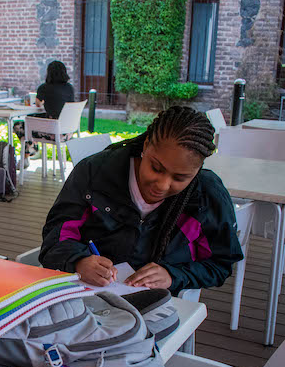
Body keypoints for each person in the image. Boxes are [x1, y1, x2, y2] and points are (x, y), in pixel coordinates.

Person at [39, 106, 243, 296]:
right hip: (86, 295)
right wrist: (79, 261)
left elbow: (220, 264)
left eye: (180, 178)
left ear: (197, 171)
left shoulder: (206, 195)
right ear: (146, 145)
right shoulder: (95, 173)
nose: (162, 185)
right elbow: (55, 236)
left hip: (158, 303)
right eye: (156, 168)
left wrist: (172, 276)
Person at [14, 60, 76, 166]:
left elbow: (38, 104)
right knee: (31, 121)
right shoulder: (70, 88)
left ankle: (28, 155)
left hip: (53, 132)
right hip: (68, 132)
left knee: (19, 125)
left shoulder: (44, 87)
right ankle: (32, 149)